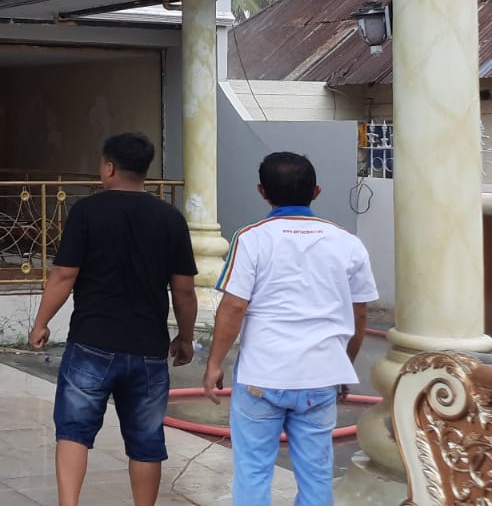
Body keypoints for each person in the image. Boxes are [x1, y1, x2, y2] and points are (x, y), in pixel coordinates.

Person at [28, 132, 198, 506]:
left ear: (109, 167)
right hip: (148, 348)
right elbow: (184, 290)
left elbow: (64, 275)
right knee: (146, 441)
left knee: (73, 431)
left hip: (91, 343)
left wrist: (41, 322)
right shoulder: (170, 218)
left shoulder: (86, 212)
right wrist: (185, 338)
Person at [201, 152, 377, 506]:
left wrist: (214, 363)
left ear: (262, 191)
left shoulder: (251, 238)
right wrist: (343, 364)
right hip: (321, 376)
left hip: (261, 376)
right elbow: (359, 315)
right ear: (317, 191)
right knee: (316, 475)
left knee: (253, 471)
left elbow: (233, 306)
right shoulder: (347, 242)